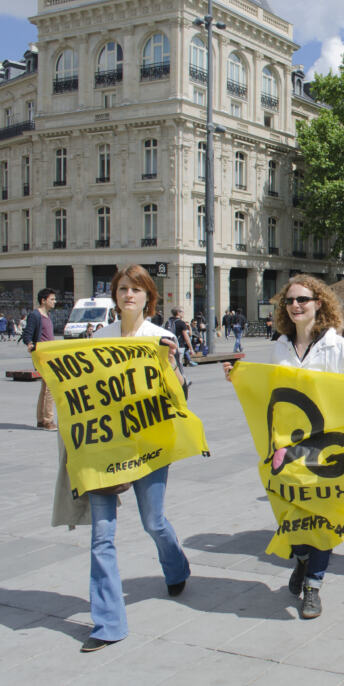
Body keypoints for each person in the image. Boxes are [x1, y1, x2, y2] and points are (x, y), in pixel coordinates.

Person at [224, 274, 344, 619]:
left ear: (319, 304)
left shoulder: (339, 346)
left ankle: (313, 586)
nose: (296, 306)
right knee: (293, 517)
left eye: (304, 299)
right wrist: (238, 377)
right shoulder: (278, 347)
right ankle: (302, 558)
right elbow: (268, 391)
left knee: (324, 521)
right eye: (290, 301)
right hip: (290, 451)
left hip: (330, 451)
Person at [65, 264, 191, 652]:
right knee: (102, 535)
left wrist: (171, 368)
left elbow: (180, 397)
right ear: (115, 296)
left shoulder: (161, 337)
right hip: (104, 449)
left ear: (148, 297)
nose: (128, 295)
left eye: (136, 289)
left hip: (149, 447)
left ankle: (176, 566)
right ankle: (107, 623)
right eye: (122, 289)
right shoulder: (97, 338)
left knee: (153, 521)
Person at [23, 287, 58, 430]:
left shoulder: (47, 316)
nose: (55, 302)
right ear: (43, 300)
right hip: (42, 355)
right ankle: (48, 420)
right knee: (50, 387)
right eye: (52, 299)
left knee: (45, 388)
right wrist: (30, 344)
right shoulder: (35, 315)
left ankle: (40, 419)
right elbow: (27, 334)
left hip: (50, 354)